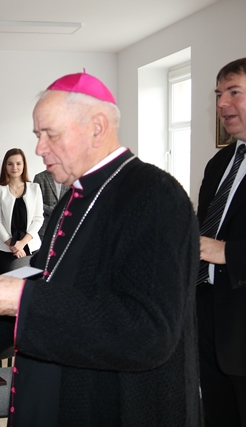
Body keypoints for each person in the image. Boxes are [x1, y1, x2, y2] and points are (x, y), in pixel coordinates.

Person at [0, 71, 201, 426]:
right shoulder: (74, 197)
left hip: (112, 402)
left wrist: (23, 301)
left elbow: (148, 331)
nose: (39, 149)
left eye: (50, 134)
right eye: (37, 135)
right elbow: (49, 284)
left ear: (97, 128)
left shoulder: (155, 195)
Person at [197, 57, 246, 427]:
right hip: (206, 318)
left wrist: (226, 251)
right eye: (218, 95)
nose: (222, 104)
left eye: (234, 92)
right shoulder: (219, 162)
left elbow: (217, 246)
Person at [0, 148, 43, 274]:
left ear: (24, 165)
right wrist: (13, 245)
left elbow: (38, 219)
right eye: (10, 164)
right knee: (6, 284)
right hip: (4, 248)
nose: (14, 167)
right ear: (5, 166)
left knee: (30, 284)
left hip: (31, 246)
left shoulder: (34, 188)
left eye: (18, 163)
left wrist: (22, 244)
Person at [33, 170, 69, 239]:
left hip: (64, 227)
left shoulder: (70, 177)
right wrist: (52, 210)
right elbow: (35, 202)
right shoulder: (40, 177)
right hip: (45, 227)